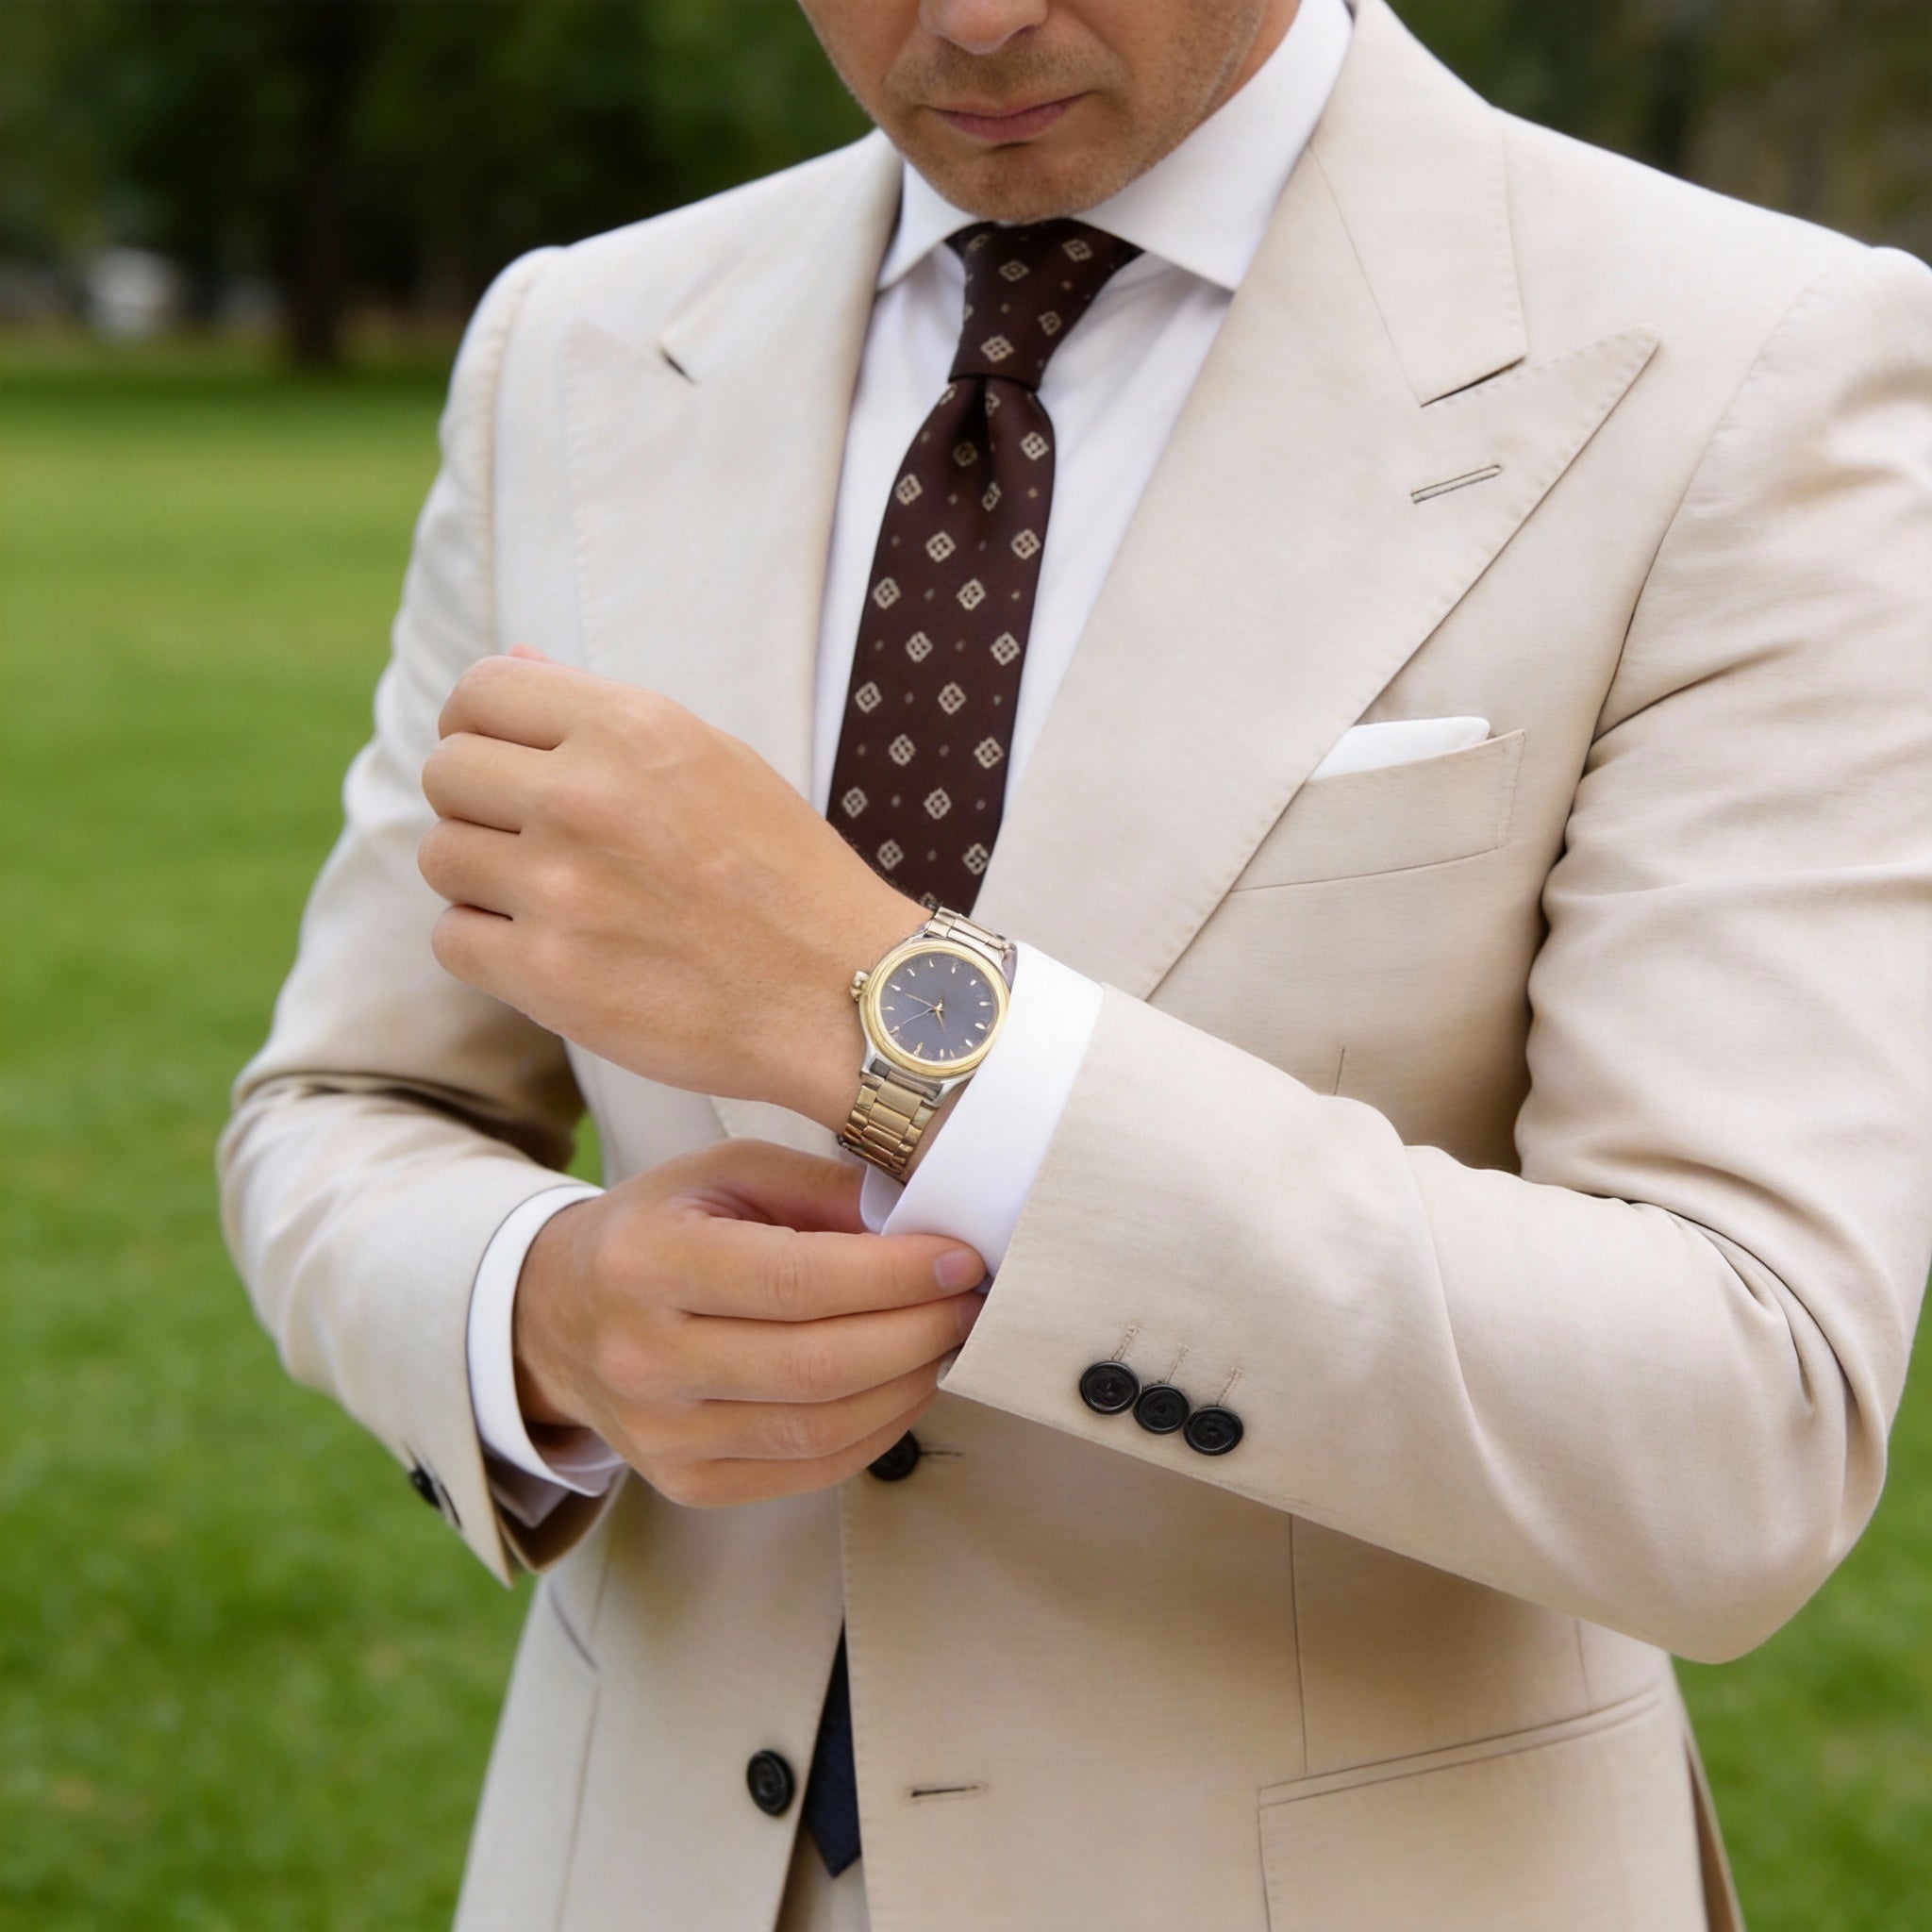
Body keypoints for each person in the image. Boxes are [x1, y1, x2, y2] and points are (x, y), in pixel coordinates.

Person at [219, 0, 1932, 1924]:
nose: (970, 18)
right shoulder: (574, 345)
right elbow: (344, 1106)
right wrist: (538, 1308)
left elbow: (1739, 1425)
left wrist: (900, 1030)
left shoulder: (1751, 362)